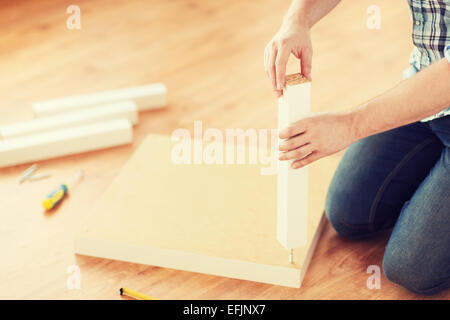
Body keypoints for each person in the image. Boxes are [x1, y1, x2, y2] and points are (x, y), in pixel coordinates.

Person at [265, 0, 450, 295]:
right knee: (348, 213)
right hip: (426, 98)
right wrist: (297, 18)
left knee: (412, 269)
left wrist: (351, 125)